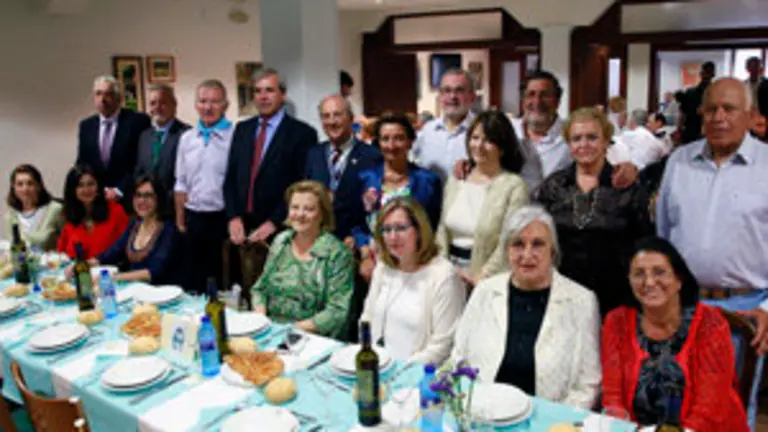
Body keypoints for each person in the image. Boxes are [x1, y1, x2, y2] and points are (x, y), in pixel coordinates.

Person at [656, 77, 768, 428]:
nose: (719, 117)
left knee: (729, 412)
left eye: (729, 109)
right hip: (683, 307)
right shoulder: (679, 161)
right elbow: (664, 236)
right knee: (675, 403)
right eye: (711, 109)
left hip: (744, 311)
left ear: (751, 115)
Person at [452, 205, 600, 408]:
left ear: (552, 250)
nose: (527, 254)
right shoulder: (485, 291)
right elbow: (458, 358)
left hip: (551, 420)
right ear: (507, 250)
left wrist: (555, 422)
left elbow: (587, 386)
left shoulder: (582, 302)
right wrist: (471, 407)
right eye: (518, 244)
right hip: (482, 412)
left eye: (538, 244)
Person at [602, 237, 748, 431]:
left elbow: (709, 411)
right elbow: (613, 398)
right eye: (638, 274)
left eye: (659, 272)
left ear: (679, 279)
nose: (649, 282)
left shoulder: (710, 325)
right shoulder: (617, 321)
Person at [535, 107, 653, 316]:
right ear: (569, 144)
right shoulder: (554, 186)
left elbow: (644, 246)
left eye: (592, 137)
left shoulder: (627, 187)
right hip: (560, 298)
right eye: (576, 139)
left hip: (615, 300)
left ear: (606, 141)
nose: (584, 145)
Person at [360, 197, 465, 364]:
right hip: (377, 366)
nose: (392, 237)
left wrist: (400, 370)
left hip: (415, 371)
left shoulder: (444, 275)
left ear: (419, 230)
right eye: (386, 229)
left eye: (400, 228)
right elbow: (367, 317)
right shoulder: (383, 267)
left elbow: (443, 346)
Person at [225, 68, 318, 248]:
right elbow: (230, 178)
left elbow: (301, 186)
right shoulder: (242, 129)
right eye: (257, 91)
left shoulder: (302, 133)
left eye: (269, 90)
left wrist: (275, 222)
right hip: (241, 228)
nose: (263, 97)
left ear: (283, 94)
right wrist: (233, 216)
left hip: (281, 228)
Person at [251, 181, 354, 339]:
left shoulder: (337, 253)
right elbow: (260, 289)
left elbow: (337, 311)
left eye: (309, 209)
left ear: (322, 214)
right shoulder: (281, 241)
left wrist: (290, 330)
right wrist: (262, 321)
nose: (300, 214)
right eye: (295, 207)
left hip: (314, 337)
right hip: (272, 331)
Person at [436, 111, 528, 286]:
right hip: (448, 275)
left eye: (488, 140)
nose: (479, 145)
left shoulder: (514, 186)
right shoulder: (456, 179)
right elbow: (441, 231)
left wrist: (483, 278)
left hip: (488, 280)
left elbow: (511, 240)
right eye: (475, 138)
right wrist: (442, 269)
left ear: (502, 146)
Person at [351, 114, 443, 282]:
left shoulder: (428, 181)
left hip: (415, 262)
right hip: (374, 260)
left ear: (410, 141)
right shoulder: (365, 178)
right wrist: (365, 254)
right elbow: (357, 223)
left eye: (399, 138)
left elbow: (433, 225)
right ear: (378, 143)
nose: (391, 145)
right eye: (385, 139)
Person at [174, 79, 233, 294]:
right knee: (193, 280)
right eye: (203, 101)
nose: (208, 107)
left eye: (215, 102)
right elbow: (180, 181)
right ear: (196, 105)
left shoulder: (235, 137)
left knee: (221, 280)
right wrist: (180, 217)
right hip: (194, 217)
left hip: (222, 218)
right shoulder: (187, 138)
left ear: (225, 105)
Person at [304, 94, 381, 241]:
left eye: (337, 115)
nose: (332, 121)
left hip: (357, 244)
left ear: (351, 118)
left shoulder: (372, 156)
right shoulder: (314, 154)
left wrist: (360, 240)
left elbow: (375, 208)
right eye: (326, 116)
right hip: (319, 242)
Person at [76, 75, 151, 207]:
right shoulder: (86, 126)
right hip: (97, 199)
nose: (102, 99)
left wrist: (119, 190)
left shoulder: (138, 122)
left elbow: (141, 162)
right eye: (98, 94)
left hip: (130, 198)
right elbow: (83, 163)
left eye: (108, 94)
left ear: (119, 98)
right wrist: (99, 190)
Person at [91, 175, 179, 284]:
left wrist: (113, 277)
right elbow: (112, 253)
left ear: (159, 199)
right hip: (134, 288)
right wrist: (85, 265)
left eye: (148, 196)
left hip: (161, 290)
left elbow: (153, 272)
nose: (142, 200)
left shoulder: (169, 229)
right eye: (138, 195)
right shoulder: (134, 224)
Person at [412, 68, 481, 184]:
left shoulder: (483, 131)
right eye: (447, 90)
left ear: (472, 97)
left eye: (459, 90)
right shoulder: (427, 131)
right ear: (440, 96)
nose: (452, 96)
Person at [134, 84, 191, 213]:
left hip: (175, 209)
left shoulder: (187, 134)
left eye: (163, 103)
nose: (157, 107)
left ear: (174, 105)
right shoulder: (144, 136)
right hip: (149, 210)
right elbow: (139, 171)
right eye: (153, 103)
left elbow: (189, 177)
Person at [58, 164, 129, 259]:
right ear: (73, 190)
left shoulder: (115, 211)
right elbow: (61, 255)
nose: (86, 190)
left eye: (90, 184)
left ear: (98, 186)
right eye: (80, 185)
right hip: (76, 267)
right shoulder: (69, 217)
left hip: (109, 267)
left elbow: (126, 247)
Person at [4, 165, 63, 251]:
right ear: (14, 188)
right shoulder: (10, 217)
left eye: (30, 183)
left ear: (38, 186)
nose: (25, 189)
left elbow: (69, 242)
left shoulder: (55, 210)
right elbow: (14, 249)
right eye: (20, 184)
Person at [678, 61, 715, 144]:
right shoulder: (690, 92)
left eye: (708, 73)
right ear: (701, 73)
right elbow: (683, 112)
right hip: (691, 131)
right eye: (705, 72)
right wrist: (679, 129)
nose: (706, 75)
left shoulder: (717, 93)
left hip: (709, 132)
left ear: (712, 75)